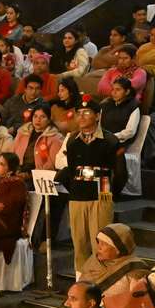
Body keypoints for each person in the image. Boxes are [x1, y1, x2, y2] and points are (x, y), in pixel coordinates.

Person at [58, 100, 117, 273]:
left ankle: (102, 281)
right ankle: (81, 282)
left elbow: (118, 172)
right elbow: (71, 169)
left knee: (101, 244)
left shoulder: (109, 140)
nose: (81, 116)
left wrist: (109, 195)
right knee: (79, 245)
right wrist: (74, 190)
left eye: (87, 112)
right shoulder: (72, 140)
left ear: (97, 116)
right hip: (77, 197)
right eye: (79, 113)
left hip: (101, 195)